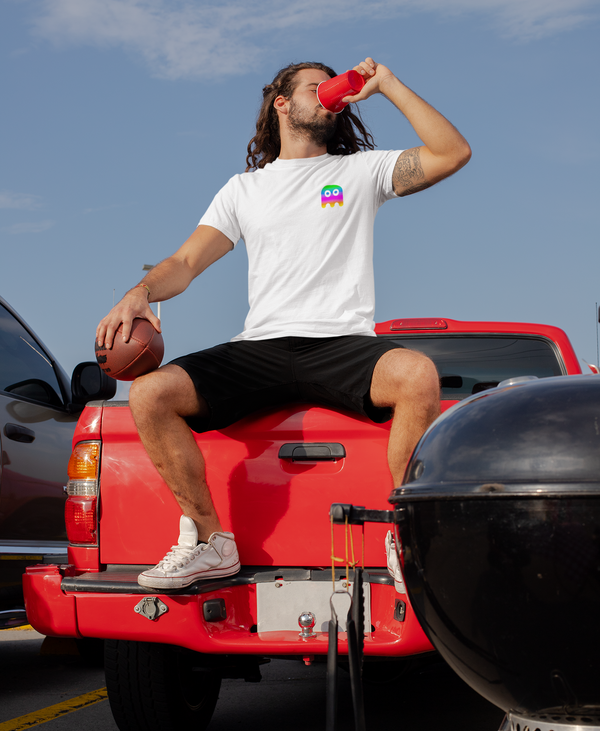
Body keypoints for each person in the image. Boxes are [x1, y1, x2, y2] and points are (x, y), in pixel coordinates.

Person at [96, 57, 471, 591]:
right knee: (150, 395)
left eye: (334, 90)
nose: (330, 97)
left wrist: (386, 85)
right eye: (316, 89)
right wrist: (139, 293)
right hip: (263, 348)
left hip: (341, 344)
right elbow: (184, 264)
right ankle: (209, 542)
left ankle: (404, 535)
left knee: (416, 374)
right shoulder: (244, 190)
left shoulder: (358, 173)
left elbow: (452, 152)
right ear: (281, 103)